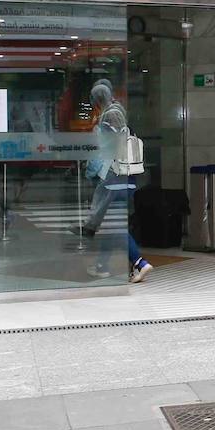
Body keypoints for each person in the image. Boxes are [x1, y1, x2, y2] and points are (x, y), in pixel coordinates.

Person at [72, 80, 153, 283]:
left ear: (97, 102)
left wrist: (90, 172)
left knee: (116, 227)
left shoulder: (107, 120)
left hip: (114, 180)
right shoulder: (120, 114)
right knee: (114, 224)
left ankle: (140, 263)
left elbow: (101, 153)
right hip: (126, 177)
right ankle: (102, 265)